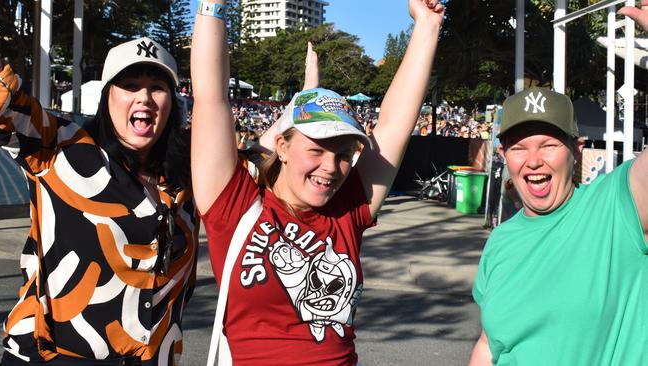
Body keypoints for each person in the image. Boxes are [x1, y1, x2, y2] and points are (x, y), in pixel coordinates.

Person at [189, 0, 444, 364]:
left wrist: (427, 25)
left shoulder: (348, 209)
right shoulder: (233, 205)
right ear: (283, 146)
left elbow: (392, 125)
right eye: (317, 150)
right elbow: (211, 98)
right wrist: (213, 5)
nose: (331, 166)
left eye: (343, 154)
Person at [0, 37, 198, 365]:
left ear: (172, 102)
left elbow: (280, 160)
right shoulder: (59, 147)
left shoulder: (190, 174)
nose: (145, 97)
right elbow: (5, 102)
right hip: (52, 357)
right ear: (108, 97)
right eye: (130, 85)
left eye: (157, 87)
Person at [468, 85, 647, 363]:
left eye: (549, 145)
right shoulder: (500, 240)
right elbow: (489, 344)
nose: (534, 161)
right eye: (519, 148)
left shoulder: (616, 205)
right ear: (504, 155)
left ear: (576, 150)